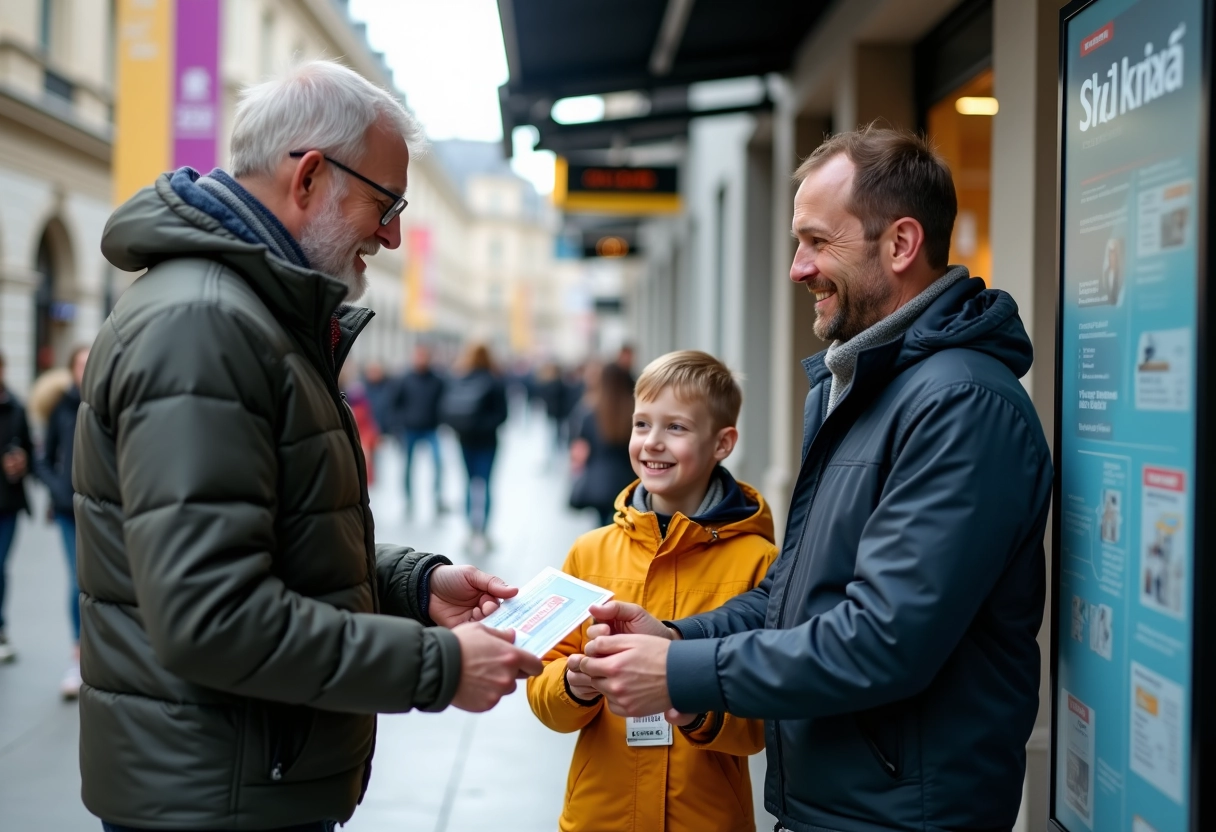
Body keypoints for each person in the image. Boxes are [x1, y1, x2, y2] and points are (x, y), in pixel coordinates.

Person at [78, 60, 541, 832]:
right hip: (215, 798)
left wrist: (410, 584)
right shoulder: (204, 324)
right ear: (311, 176)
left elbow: (272, 539)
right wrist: (440, 666)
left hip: (234, 782)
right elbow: (212, 616)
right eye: (385, 203)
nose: (393, 234)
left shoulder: (246, 314)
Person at [578, 126, 1053, 832]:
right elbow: (795, 593)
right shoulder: (862, 390)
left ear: (899, 245)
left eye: (817, 241)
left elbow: (883, 637)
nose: (798, 268)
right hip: (841, 801)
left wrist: (682, 675)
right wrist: (677, 638)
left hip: (903, 815)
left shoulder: (961, 403)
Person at [530, 350, 777, 832]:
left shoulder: (758, 564)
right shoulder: (589, 553)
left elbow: (766, 716)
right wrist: (571, 686)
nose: (652, 443)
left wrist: (696, 705)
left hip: (706, 819)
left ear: (723, 442)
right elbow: (543, 686)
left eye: (676, 428)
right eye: (642, 424)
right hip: (600, 817)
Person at [31, 345, 88, 698]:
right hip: (69, 510)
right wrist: (57, 489)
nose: (85, 369)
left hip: (104, 511)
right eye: (80, 363)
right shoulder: (61, 409)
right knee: (79, 579)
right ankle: (77, 656)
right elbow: (43, 458)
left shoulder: (108, 400)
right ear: (71, 370)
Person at [441, 343, 508, 553]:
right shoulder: (494, 380)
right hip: (488, 441)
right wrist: (484, 426)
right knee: (486, 485)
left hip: (465, 439)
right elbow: (503, 415)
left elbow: (446, 409)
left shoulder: (459, 377)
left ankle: (470, 530)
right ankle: (484, 532)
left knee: (468, 484)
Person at [568, 363, 635, 526]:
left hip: (598, 480)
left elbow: (579, 448)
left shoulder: (590, 413)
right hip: (629, 480)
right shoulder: (635, 414)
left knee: (602, 527)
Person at [0, 351, 33, 664]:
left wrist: (21, 461)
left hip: (7, 503)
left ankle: (0, 629)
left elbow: (30, 453)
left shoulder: (17, 408)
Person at [393, 343, 447, 514]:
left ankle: (437, 498)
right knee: (408, 466)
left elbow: (444, 402)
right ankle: (409, 500)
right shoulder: (405, 379)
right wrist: (398, 424)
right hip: (410, 429)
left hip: (431, 428)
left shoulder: (437, 380)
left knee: (438, 463)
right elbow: (395, 403)